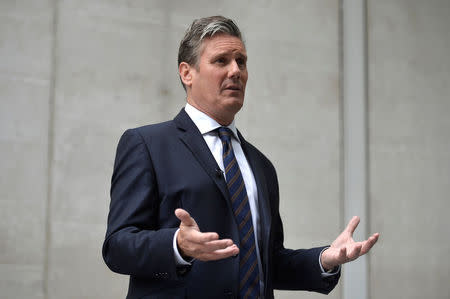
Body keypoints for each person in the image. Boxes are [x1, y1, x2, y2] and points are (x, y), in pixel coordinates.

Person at [102, 16, 379, 299]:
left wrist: (324, 259)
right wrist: (176, 245)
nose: (236, 71)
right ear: (187, 73)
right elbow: (117, 247)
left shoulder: (261, 165)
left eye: (241, 62)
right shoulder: (147, 145)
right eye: (221, 61)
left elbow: (267, 262)